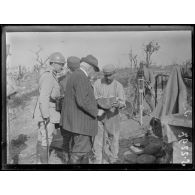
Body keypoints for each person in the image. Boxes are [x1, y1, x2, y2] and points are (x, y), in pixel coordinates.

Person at [60, 54, 99, 164]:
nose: (94, 73)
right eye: (95, 70)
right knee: (79, 152)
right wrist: (96, 111)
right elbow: (82, 101)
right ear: (89, 67)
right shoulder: (81, 76)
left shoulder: (74, 75)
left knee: (82, 151)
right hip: (81, 124)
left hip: (75, 122)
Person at [33, 52, 66, 164]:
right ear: (53, 63)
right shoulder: (48, 76)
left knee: (42, 138)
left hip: (48, 111)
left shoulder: (52, 75)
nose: (62, 66)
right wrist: (46, 115)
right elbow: (44, 98)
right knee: (46, 140)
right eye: (61, 64)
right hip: (47, 113)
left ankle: (39, 163)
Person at [93, 64, 126, 164]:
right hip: (100, 115)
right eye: (106, 75)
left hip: (113, 116)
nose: (108, 77)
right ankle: (98, 159)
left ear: (114, 74)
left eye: (110, 75)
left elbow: (123, 102)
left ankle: (113, 159)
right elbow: (93, 98)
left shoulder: (118, 86)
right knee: (98, 139)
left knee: (113, 138)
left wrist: (118, 104)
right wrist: (99, 103)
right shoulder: (98, 83)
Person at [58, 56, 80, 163]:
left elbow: (58, 98)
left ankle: (66, 159)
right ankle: (73, 160)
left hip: (64, 114)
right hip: (76, 114)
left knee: (66, 138)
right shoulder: (81, 79)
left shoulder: (60, 80)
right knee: (75, 138)